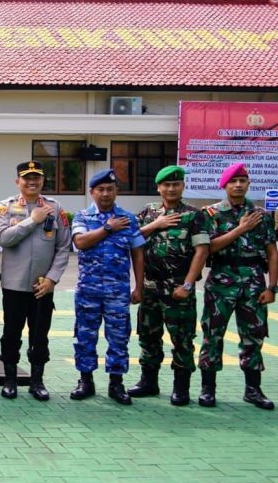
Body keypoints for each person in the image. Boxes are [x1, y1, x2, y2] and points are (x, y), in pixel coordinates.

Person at [198, 162, 277, 409]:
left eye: (243, 181)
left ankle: (253, 389)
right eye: (234, 181)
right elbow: (208, 248)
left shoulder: (261, 215)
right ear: (225, 185)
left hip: (253, 282)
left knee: (253, 337)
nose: (239, 185)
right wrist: (240, 229)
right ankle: (208, 389)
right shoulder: (211, 214)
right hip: (221, 280)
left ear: (249, 184)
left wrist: (272, 287)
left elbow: (272, 252)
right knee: (213, 335)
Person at [131, 165, 210, 405]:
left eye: (176, 184)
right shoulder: (148, 212)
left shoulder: (194, 215)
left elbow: (202, 251)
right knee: (148, 335)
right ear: (158, 188)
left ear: (183, 186)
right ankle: (149, 382)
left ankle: (181, 387)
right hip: (150, 286)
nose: (171, 188)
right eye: (166, 185)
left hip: (178, 289)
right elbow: (133, 241)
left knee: (182, 338)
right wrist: (156, 225)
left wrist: (186, 285)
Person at [0, 161, 71, 401]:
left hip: (42, 287)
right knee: (11, 334)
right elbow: (4, 239)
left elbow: (63, 248)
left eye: (36, 177)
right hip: (14, 285)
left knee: (40, 335)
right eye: (26, 178)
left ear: (42, 181)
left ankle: (37, 381)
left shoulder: (55, 208)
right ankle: (10, 380)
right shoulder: (5, 208)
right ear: (18, 181)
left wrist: (52, 279)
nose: (31, 182)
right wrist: (32, 220)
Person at [70, 169, 145, 405]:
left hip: (118, 291)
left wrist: (139, 286)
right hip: (88, 290)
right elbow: (80, 242)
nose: (105, 194)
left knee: (119, 337)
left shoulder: (129, 218)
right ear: (91, 192)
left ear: (116, 192)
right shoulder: (82, 217)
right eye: (100, 190)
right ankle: (85, 380)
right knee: (84, 336)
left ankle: (116, 383)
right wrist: (108, 228)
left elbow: (138, 254)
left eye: (110, 189)